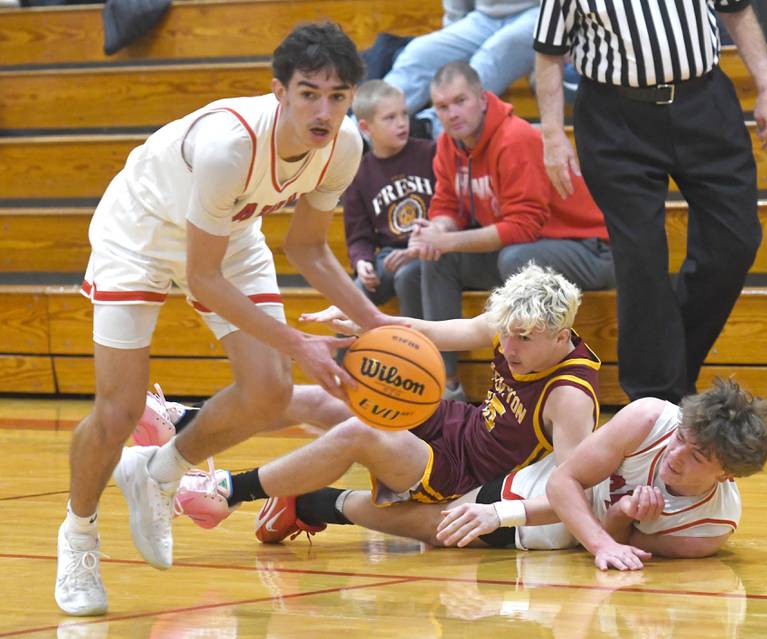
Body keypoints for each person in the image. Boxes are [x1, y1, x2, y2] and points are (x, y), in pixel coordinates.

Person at [54, 22, 396, 617]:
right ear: (279, 92)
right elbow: (203, 277)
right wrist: (301, 343)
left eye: (337, 97)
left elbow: (309, 248)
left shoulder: (343, 147)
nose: (323, 110)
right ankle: (78, 535)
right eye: (309, 93)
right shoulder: (228, 146)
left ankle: (159, 471)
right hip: (139, 232)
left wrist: (380, 328)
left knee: (269, 390)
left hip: (228, 234)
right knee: (120, 410)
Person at [173, 263, 602, 531]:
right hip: (453, 422)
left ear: (561, 336)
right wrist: (365, 325)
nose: (508, 348)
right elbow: (432, 332)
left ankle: (228, 491)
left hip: (460, 473)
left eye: (522, 340)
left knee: (361, 432)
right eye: (505, 335)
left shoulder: (570, 397)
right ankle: (185, 423)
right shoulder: (516, 321)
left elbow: (571, 491)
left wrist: (500, 514)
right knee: (335, 396)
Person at [256, 378, 767, 573]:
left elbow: (617, 542)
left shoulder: (705, 531)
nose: (677, 454)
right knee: (436, 522)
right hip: (535, 486)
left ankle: (308, 502)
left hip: (553, 534)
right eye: (684, 437)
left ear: (729, 474)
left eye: (697, 456)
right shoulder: (651, 418)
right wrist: (601, 537)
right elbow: (564, 483)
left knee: (436, 528)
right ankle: (293, 495)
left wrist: (618, 521)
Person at [534, 1, 767, 404]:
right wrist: (552, 134)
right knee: (641, 260)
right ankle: (655, 400)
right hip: (615, 119)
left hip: (704, 102)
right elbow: (548, 52)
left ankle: (676, 370)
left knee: (736, 242)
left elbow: (736, 11)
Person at [410, 60, 613, 399]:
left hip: (589, 249)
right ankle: (447, 385)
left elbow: (523, 227)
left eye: (460, 101)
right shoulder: (448, 145)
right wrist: (433, 232)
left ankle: (521, 383)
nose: (452, 113)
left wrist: (446, 240)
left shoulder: (515, 138)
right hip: (527, 250)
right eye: (443, 106)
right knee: (437, 260)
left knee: (515, 258)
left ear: (483, 98)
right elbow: (446, 206)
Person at [344, 80, 436, 317]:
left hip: (431, 249)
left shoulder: (430, 153)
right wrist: (362, 262)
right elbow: (358, 236)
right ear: (365, 128)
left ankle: (415, 353)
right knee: (352, 295)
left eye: (404, 114)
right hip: (391, 255)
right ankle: (339, 356)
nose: (402, 123)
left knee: (409, 276)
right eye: (390, 118)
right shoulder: (359, 174)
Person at [384, 0, 542, 139]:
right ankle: (372, 123)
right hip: (483, 18)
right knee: (419, 52)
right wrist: (453, 34)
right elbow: (456, 11)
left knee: (490, 57)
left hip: (541, 15)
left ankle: (430, 126)